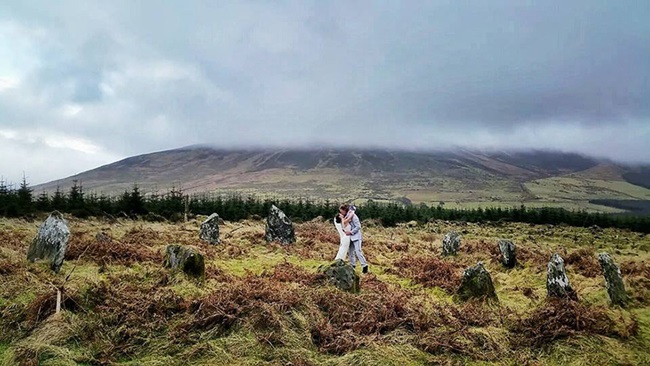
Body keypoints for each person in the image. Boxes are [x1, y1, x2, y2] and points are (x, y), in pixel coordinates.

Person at [339, 204, 368, 273]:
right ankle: (352, 265)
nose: (341, 213)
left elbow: (358, 226)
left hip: (356, 237)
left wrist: (351, 232)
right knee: (351, 252)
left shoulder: (354, 217)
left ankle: (364, 265)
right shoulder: (346, 217)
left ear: (344, 210)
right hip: (350, 238)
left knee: (358, 251)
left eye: (341, 211)